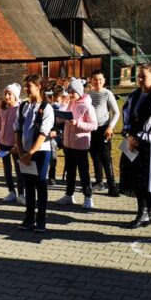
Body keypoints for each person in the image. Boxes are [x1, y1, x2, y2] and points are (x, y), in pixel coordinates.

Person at [120, 64, 151, 229]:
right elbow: (126, 114)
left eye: (143, 76)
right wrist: (128, 135)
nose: (140, 79)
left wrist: (138, 138)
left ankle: (148, 213)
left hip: (150, 140)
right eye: (138, 76)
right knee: (137, 177)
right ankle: (143, 212)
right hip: (133, 140)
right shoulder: (134, 95)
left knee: (149, 177)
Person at [14, 74, 55, 233]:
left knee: (40, 183)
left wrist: (30, 153)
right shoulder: (23, 106)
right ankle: (29, 217)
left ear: (38, 87)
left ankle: (41, 219)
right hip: (25, 152)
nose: (26, 89)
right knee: (28, 184)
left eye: (29, 86)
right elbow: (17, 130)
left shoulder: (46, 107)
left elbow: (43, 133)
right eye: (25, 86)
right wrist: (20, 152)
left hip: (40, 151)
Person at [56, 78, 97, 210]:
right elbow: (60, 119)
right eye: (69, 91)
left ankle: (88, 197)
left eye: (73, 92)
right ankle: (69, 195)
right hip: (68, 144)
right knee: (70, 171)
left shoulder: (87, 106)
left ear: (79, 92)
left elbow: (94, 125)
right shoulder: (70, 103)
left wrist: (77, 123)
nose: (70, 94)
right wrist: (62, 107)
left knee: (83, 172)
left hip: (81, 145)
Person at [88, 71, 121, 197]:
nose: (97, 82)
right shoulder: (89, 94)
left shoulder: (107, 93)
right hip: (91, 130)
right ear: (91, 81)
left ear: (104, 80)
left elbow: (116, 112)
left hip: (104, 129)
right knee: (95, 156)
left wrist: (110, 127)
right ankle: (99, 182)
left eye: (100, 79)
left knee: (106, 158)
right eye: (95, 79)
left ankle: (112, 186)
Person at [0, 83, 25, 204]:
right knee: (7, 169)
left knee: (19, 169)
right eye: (5, 94)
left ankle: (21, 193)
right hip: (3, 144)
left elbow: (22, 129)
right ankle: (11, 191)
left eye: (9, 94)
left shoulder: (20, 109)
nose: (7, 96)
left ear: (15, 95)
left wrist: (17, 145)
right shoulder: (2, 109)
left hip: (16, 145)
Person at [47, 85, 67, 186]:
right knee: (52, 144)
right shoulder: (50, 107)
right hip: (55, 136)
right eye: (54, 99)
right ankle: (52, 175)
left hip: (66, 135)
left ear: (62, 98)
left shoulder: (66, 107)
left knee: (70, 148)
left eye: (57, 100)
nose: (55, 102)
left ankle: (70, 173)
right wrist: (53, 131)